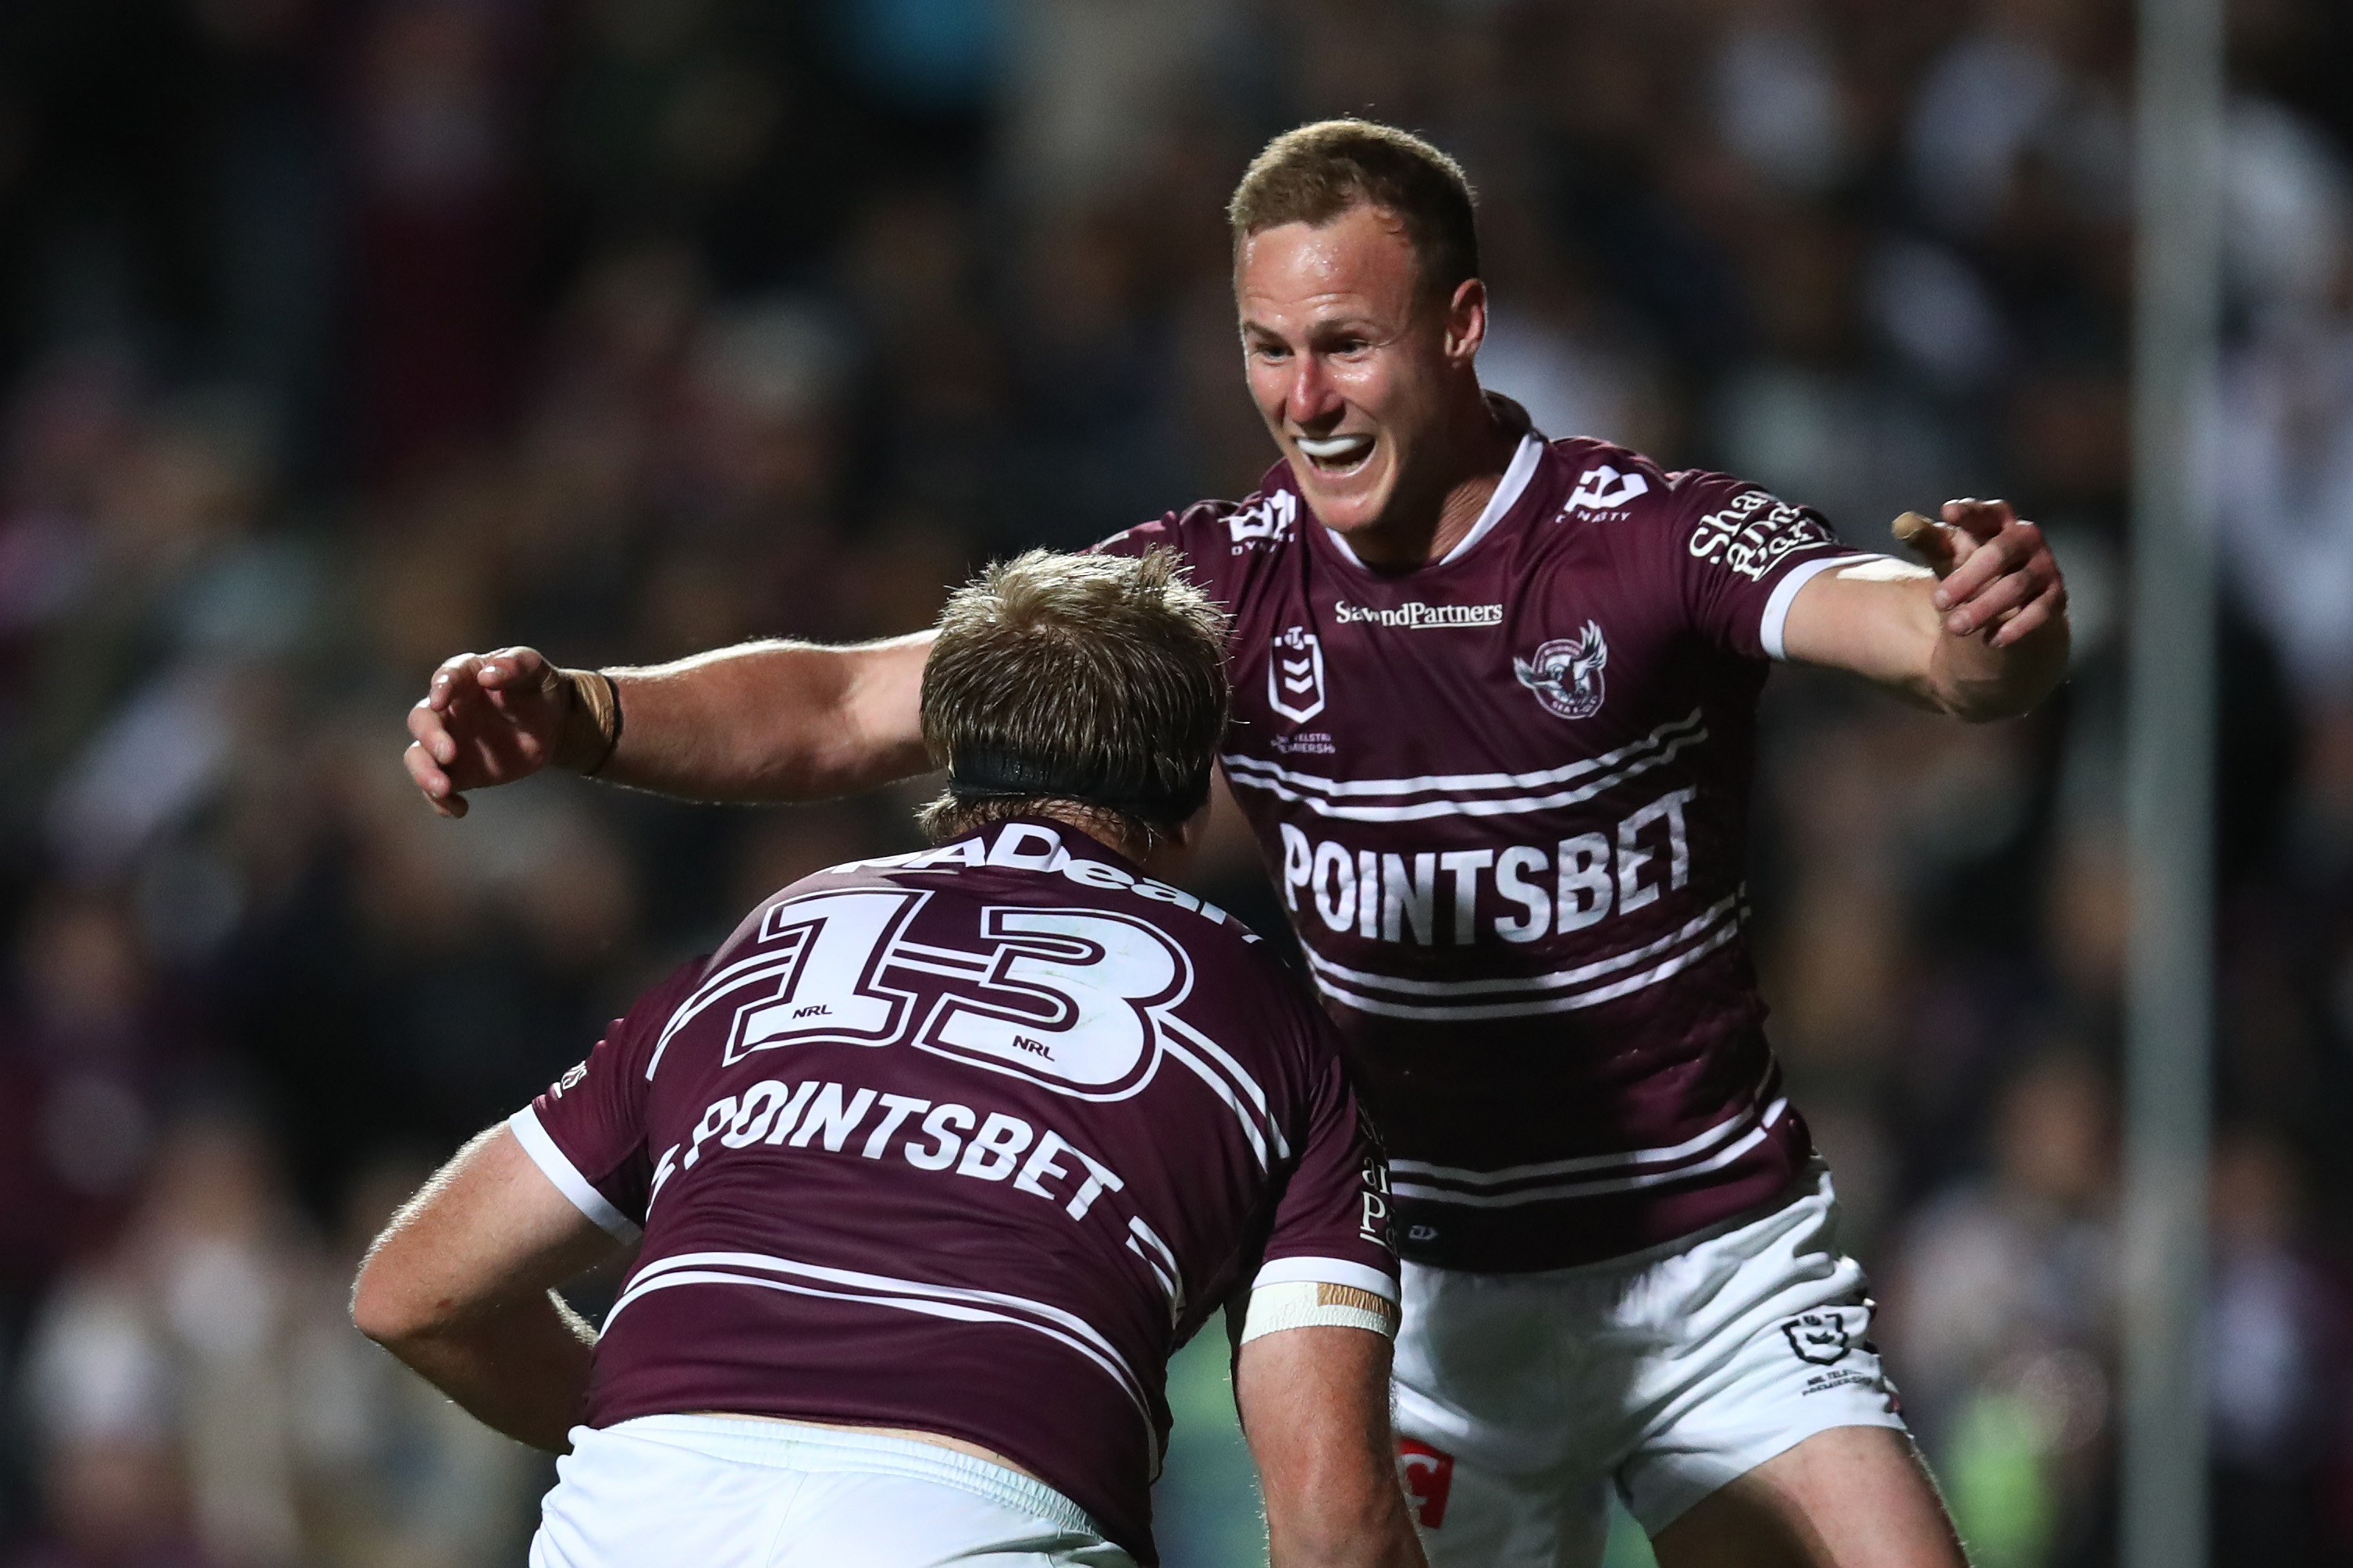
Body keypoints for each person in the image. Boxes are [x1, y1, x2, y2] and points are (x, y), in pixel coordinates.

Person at [403, 121, 2069, 1568]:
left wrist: (1986, 635)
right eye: (1267, 350)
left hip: (1701, 1263)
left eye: (1345, 344)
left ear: (1463, 325)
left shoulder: (1643, 540)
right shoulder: (1222, 580)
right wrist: (583, 714)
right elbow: (852, 706)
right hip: (1428, 1305)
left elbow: (1906, 633)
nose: (1305, 400)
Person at [357, 549, 1425, 1568]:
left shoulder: (780, 933)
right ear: (1194, 791)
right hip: (977, 1523)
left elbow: (414, 1290)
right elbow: (1336, 1524)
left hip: (634, 1513)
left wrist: (665, 1435)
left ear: (942, 747)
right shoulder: (1273, 1018)